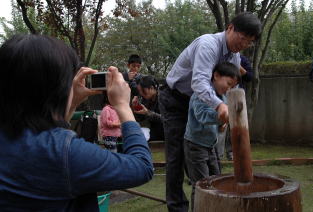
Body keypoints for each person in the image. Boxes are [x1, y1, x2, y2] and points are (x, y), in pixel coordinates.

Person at [0, 34, 153, 211]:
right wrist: (123, 106)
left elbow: (42, 129)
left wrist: (71, 102)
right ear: (58, 89)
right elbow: (142, 167)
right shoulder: (66, 154)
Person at [158, 12, 261, 211]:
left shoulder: (235, 56)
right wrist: (220, 106)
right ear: (230, 28)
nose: (244, 44)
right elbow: (199, 83)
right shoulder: (208, 44)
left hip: (200, 103)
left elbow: (229, 86)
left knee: (209, 154)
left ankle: (210, 203)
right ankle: (177, 207)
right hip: (176, 100)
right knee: (176, 157)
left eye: (249, 42)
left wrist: (230, 108)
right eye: (242, 38)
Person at [184, 62, 240, 211]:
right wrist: (221, 117)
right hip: (195, 145)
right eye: (228, 83)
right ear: (216, 76)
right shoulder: (200, 94)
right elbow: (202, 115)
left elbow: (221, 119)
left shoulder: (222, 96)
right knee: (201, 185)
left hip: (210, 145)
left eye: (232, 86)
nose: (228, 88)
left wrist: (222, 124)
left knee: (217, 179)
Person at [132, 75, 164, 141]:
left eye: (142, 90)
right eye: (139, 91)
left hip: (166, 133)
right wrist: (136, 107)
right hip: (153, 132)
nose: (140, 93)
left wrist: (147, 112)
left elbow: (166, 119)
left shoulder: (163, 97)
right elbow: (141, 119)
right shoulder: (146, 99)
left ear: (151, 88)